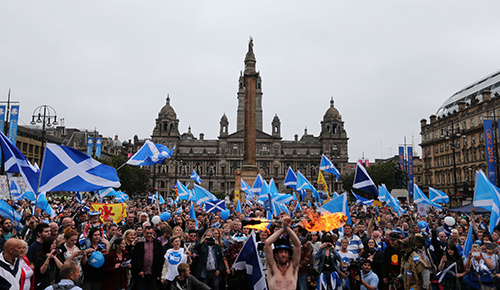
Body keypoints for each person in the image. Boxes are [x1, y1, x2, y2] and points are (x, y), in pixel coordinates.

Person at [265, 215, 301, 290]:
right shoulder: (272, 267)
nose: (283, 254)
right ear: (276, 255)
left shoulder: (293, 267)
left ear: (289, 255)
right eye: (281, 252)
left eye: (285, 252)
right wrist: (283, 228)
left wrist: (286, 228)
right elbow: (267, 243)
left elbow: (297, 244)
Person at [131, 225, 165, 290]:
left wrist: (158, 272)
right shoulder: (139, 242)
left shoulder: (157, 243)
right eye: (147, 233)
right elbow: (135, 258)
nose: (149, 235)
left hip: (153, 274)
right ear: (144, 233)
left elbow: (160, 258)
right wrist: (139, 270)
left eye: (150, 233)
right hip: (141, 274)